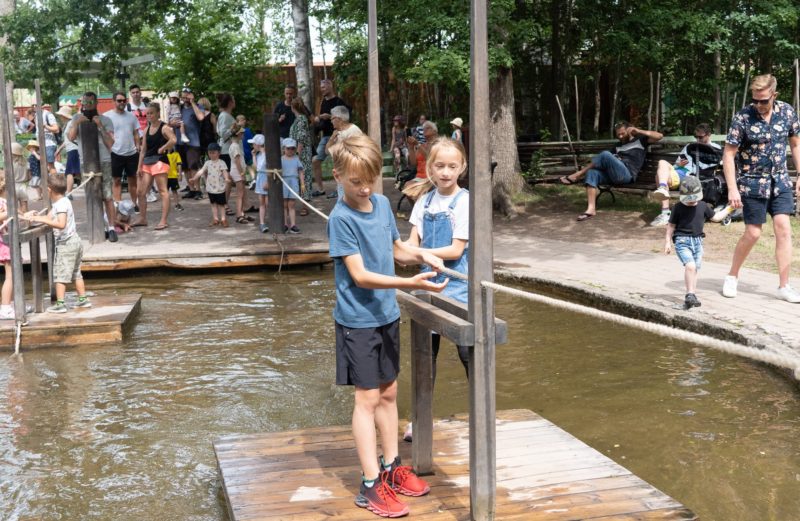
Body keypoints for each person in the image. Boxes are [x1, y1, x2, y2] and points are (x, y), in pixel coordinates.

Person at [327, 134, 446, 518]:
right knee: (367, 399)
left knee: (390, 393)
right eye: (355, 182)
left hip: (386, 315)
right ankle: (369, 483)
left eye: (370, 181)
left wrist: (423, 254)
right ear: (338, 176)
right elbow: (360, 276)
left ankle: (393, 467)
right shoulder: (341, 219)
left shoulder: (379, 204)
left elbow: (395, 248)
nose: (364, 189)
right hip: (358, 321)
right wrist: (408, 283)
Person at [403, 138, 471, 441]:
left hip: (457, 286)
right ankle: (420, 419)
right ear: (430, 167)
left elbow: (456, 250)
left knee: (468, 352)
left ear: (462, 168)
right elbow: (410, 246)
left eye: (452, 166)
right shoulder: (424, 201)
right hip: (427, 286)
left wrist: (421, 255)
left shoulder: (466, 201)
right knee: (424, 357)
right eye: (440, 166)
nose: (445, 172)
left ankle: (481, 413)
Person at [720, 74, 800, 303]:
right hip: (752, 182)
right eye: (755, 100)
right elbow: (728, 154)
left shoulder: (787, 112)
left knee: (784, 229)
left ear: (774, 95)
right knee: (754, 233)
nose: (758, 105)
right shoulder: (743, 117)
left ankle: (784, 285)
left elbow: (795, 143)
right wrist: (732, 189)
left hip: (780, 181)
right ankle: (732, 275)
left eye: (763, 100)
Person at [559, 121, 663, 221]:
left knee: (605, 154)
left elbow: (659, 136)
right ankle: (591, 209)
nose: (620, 136)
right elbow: (605, 161)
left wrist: (639, 131)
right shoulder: (617, 146)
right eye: (618, 134)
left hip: (627, 175)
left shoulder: (640, 140)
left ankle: (578, 175)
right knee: (592, 173)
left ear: (629, 130)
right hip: (614, 174)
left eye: (622, 133)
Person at [23, 174, 91, 313]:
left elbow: (61, 224)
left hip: (67, 244)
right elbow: (49, 217)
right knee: (76, 273)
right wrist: (35, 217)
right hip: (74, 241)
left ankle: (60, 304)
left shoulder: (60, 205)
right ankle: (82, 299)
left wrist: (42, 219)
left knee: (60, 275)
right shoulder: (63, 202)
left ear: (48, 190)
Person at [68, 91, 118, 242]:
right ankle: (97, 227)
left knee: (107, 196)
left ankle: (111, 228)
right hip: (86, 162)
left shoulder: (106, 120)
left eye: (91, 102)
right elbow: (70, 138)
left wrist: (100, 126)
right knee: (92, 195)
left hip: (104, 161)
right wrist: (77, 123)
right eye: (85, 102)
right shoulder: (76, 118)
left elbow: (110, 144)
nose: (88, 105)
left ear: (96, 103)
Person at [649, 123, 721, 226]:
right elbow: (677, 164)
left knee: (658, 176)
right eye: (696, 137)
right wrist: (678, 164)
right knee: (661, 162)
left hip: (697, 177)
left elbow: (718, 166)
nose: (697, 139)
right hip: (682, 173)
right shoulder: (689, 147)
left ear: (708, 134)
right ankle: (663, 188)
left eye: (700, 137)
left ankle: (665, 212)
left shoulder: (715, 149)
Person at [664, 176, 715, 310]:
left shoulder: (703, 206)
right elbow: (670, 226)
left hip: (698, 242)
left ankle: (692, 294)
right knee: (690, 266)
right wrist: (668, 242)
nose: (692, 202)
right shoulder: (678, 207)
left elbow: (715, 217)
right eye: (689, 200)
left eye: (694, 199)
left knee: (695, 269)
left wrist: (730, 209)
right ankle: (689, 294)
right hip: (682, 241)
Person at [135, 102, 176, 230]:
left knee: (163, 191)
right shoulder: (146, 129)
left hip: (160, 161)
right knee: (141, 192)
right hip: (147, 162)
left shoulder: (164, 127)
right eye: (147, 114)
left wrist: (163, 148)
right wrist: (138, 167)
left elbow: (173, 140)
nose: (149, 115)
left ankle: (163, 220)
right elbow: (143, 150)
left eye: (151, 113)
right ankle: (142, 218)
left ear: (158, 113)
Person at [104, 91, 142, 207]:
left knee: (133, 180)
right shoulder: (106, 116)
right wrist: (108, 148)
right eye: (119, 100)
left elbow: (136, 133)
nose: (122, 102)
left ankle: (134, 204)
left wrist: (138, 145)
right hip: (115, 152)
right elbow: (102, 134)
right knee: (116, 180)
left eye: (124, 100)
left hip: (131, 153)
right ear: (113, 101)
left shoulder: (131, 116)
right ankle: (118, 206)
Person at [311, 79, 347, 196]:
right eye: (321, 87)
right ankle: (321, 189)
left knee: (338, 163)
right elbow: (322, 121)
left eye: (324, 87)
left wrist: (330, 116)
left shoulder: (339, 101)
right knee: (315, 160)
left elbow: (346, 117)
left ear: (330, 87)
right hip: (326, 136)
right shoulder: (322, 102)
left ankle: (339, 190)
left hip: (338, 136)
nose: (322, 89)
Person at [177, 87, 207, 200]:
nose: (185, 97)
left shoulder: (198, 107)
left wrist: (193, 102)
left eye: (187, 95)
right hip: (180, 141)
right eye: (183, 95)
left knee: (193, 166)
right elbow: (170, 121)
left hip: (193, 141)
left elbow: (200, 117)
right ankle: (191, 189)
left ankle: (198, 190)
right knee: (185, 167)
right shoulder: (179, 108)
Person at [191, 142, 231, 227]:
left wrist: (227, 178)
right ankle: (215, 219)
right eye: (210, 153)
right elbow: (201, 171)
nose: (212, 155)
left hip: (220, 188)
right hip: (210, 188)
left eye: (214, 152)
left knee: (221, 204)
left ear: (219, 153)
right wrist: (195, 178)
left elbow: (224, 171)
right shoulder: (207, 163)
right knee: (213, 204)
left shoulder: (221, 162)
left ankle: (223, 219)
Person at [289, 97, 313, 207]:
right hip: (298, 151)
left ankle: (305, 205)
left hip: (302, 152)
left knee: (304, 176)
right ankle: (302, 202)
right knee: (300, 176)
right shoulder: (299, 119)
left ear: (292, 107)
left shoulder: (301, 119)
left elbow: (301, 138)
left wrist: (297, 154)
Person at [227, 126, 253, 224]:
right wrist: (242, 173)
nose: (243, 135)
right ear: (238, 134)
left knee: (241, 193)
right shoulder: (235, 146)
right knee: (240, 194)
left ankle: (241, 213)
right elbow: (237, 161)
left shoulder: (235, 145)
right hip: (237, 172)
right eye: (242, 133)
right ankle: (239, 215)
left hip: (237, 171)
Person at [55, 105, 80, 195]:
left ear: (63, 116)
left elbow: (72, 138)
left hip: (74, 149)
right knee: (75, 172)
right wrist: (59, 149)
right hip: (70, 149)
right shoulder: (67, 124)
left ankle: (68, 192)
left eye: (60, 115)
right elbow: (67, 140)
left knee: (70, 172)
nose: (60, 117)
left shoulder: (70, 123)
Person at [281, 138, 304, 234]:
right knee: (284, 205)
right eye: (288, 148)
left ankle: (293, 225)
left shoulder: (296, 159)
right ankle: (285, 224)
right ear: (284, 149)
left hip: (293, 181)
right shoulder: (281, 159)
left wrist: (302, 183)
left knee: (292, 204)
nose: (290, 151)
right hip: (284, 181)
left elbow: (301, 171)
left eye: (292, 149)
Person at [0, 175, 15, 320]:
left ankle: (10, 304)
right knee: (10, 276)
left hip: (6, 241)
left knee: (13, 275)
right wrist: (10, 212)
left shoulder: (5, 202)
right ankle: (5, 308)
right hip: (3, 242)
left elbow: (17, 215)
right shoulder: (3, 202)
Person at [249, 134, 269, 233]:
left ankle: (272, 221)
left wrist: (268, 181)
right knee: (262, 202)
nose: (252, 146)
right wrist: (253, 156)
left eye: (254, 144)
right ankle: (262, 223)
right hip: (261, 177)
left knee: (268, 202)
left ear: (258, 144)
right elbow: (257, 167)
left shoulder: (267, 154)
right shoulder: (259, 155)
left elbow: (269, 169)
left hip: (267, 178)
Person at [216, 93, 236, 171]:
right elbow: (223, 134)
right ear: (230, 102)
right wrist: (234, 129)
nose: (235, 101)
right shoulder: (224, 116)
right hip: (227, 151)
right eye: (233, 100)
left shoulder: (226, 115)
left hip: (229, 151)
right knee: (229, 178)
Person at [40, 104, 61, 173]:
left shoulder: (48, 115)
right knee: (45, 165)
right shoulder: (37, 115)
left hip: (49, 144)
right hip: (42, 144)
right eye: (33, 105)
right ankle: (49, 182)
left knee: (50, 165)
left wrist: (45, 126)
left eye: (36, 105)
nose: (34, 106)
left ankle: (55, 183)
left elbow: (56, 129)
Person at [10, 143, 30, 214]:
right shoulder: (26, 163)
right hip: (23, 186)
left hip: (12, 186)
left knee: (13, 207)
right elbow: (29, 177)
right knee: (24, 206)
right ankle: (28, 222)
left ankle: (15, 223)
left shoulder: (10, 164)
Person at [167, 147, 183, 212]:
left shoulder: (176, 154)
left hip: (173, 176)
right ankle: (166, 205)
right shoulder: (163, 155)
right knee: (165, 192)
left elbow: (179, 165)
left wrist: (180, 174)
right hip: (165, 176)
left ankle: (177, 204)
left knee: (174, 191)